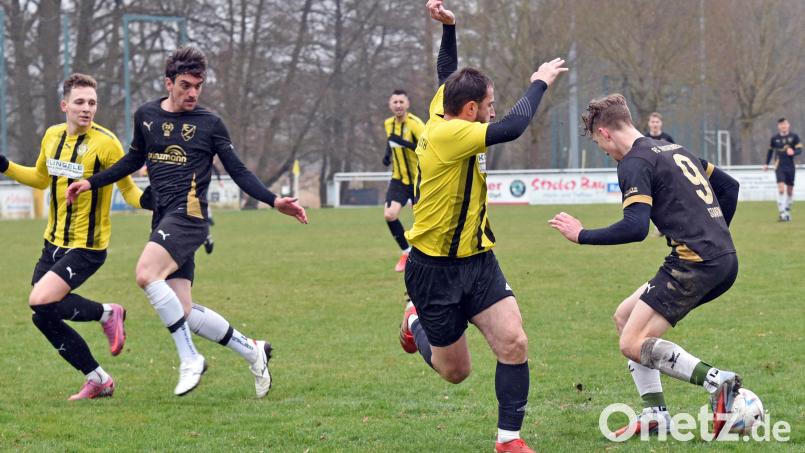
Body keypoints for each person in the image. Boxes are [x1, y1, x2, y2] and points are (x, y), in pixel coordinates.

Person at [67, 46, 308, 397]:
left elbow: (238, 170)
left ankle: (190, 358)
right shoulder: (146, 115)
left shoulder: (210, 124)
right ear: (169, 83)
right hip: (164, 217)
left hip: (191, 217)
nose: (192, 92)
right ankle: (251, 350)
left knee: (146, 274)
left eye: (198, 85)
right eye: (185, 85)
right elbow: (133, 159)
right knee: (183, 310)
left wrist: (273, 200)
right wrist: (92, 181)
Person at [398, 2, 566, 452]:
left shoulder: (446, 107)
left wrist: (450, 29)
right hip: (433, 272)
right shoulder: (449, 135)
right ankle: (415, 321)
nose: (494, 111)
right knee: (456, 373)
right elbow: (513, 127)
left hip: (479, 261)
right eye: (489, 104)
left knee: (514, 341)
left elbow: (446, 75)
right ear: (470, 110)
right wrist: (540, 81)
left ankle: (508, 440)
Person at [549, 93, 743, 438]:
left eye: (599, 143)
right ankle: (656, 415)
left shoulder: (634, 163)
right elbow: (729, 186)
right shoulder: (674, 149)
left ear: (606, 133)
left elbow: (635, 227)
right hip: (720, 258)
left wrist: (581, 235)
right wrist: (712, 231)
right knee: (625, 316)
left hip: (695, 263)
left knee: (631, 341)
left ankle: (719, 383)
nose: (604, 152)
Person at [0, 73, 141, 400]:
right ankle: (98, 378)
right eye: (79, 102)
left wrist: (155, 203)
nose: (87, 108)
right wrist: (5, 165)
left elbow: (129, 190)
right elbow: (38, 178)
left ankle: (108, 313)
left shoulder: (107, 144)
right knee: (42, 315)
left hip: (87, 246)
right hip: (53, 242)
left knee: (40, 299)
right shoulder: (52, 136)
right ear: (64, 105)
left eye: (92, 102)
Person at [382, 89, 425, 272]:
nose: (398, 105)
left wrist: (403, 142)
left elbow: (428, 147)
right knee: (389, 214)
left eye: (401, 102)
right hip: (398, 179)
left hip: (419, 180)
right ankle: (406, 252)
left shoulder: (415, 124)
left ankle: (425, 258)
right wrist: (386, 155)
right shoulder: (388, 124)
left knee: (423, 221)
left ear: (407, 104)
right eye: (395, 102)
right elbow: (390, 141)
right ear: (390, 105)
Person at [763, 117, 801, 221]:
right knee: (781, 189)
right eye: (781, 124)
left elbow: (800, 149)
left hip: (790, 166)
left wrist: (793, 152)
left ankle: (787, 211)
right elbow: (770, 152)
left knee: (789, 191)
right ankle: (782, 213)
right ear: (778, 126)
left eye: (785, 124)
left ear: (788, 125)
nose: (783, 126)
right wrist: (766, 164)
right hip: (779, 166)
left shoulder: (794, 137)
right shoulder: (774, 138)